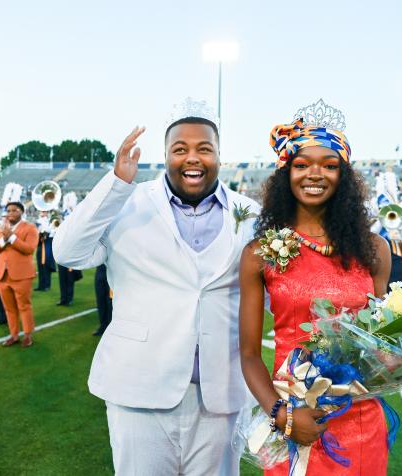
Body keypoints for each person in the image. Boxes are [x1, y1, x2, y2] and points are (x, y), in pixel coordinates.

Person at [238, 100, 402, 475]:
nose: (314, 174)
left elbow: (384, 343)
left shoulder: (375, 249)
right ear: (285, 174)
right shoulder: (261, 252)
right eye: (301, 165)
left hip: (363, 419)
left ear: (344, 176)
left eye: (329, 165)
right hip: (298, 421)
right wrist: (283, 415)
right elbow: (250, 355)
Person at [53, 98, 260, 475]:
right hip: (139, 390)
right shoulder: (126, 201)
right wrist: (116, 183)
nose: (192, 158)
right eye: (180, 149)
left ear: (219, 156)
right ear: (165, 155)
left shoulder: (252, 214)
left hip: (222, 393)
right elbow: (67, 252)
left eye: (204, 149)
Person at [0, 194, 39, 347]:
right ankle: (14, 335)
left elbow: (29, 249)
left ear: (21, 212)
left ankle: (28, 335)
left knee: (24, 306)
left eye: (14, 210)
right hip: (2, 274)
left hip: (22, 275)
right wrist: (3, 240)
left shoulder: (30, 228)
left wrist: (12, 238)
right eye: (8, 210)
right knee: (9, 308)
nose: (10, 213)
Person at [370, 172, 402, 289]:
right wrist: (380, 221)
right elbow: (368, 238)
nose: (386, 210)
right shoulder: (375, 225)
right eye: (383, 208)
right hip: (380, 268)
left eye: (389, 207)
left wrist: (401, 227)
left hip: (401, 268)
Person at [34, 210, 56, 291]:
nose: (43, 213)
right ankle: (41, 285)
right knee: (40, 264)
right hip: (40, 243)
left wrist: (46, 230)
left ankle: (47, 285)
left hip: (47, 243)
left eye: (44, 212)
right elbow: (37, 231)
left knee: (47, 264)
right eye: (42, 212)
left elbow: (52, 231)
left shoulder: (51, 220)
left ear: (47, 212)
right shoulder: (38, 221)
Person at [93, 264, 112, 336]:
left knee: (111, 302)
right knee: (100, 300)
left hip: (112, 272)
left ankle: (111, 328)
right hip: (100, 271)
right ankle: (103, 326)